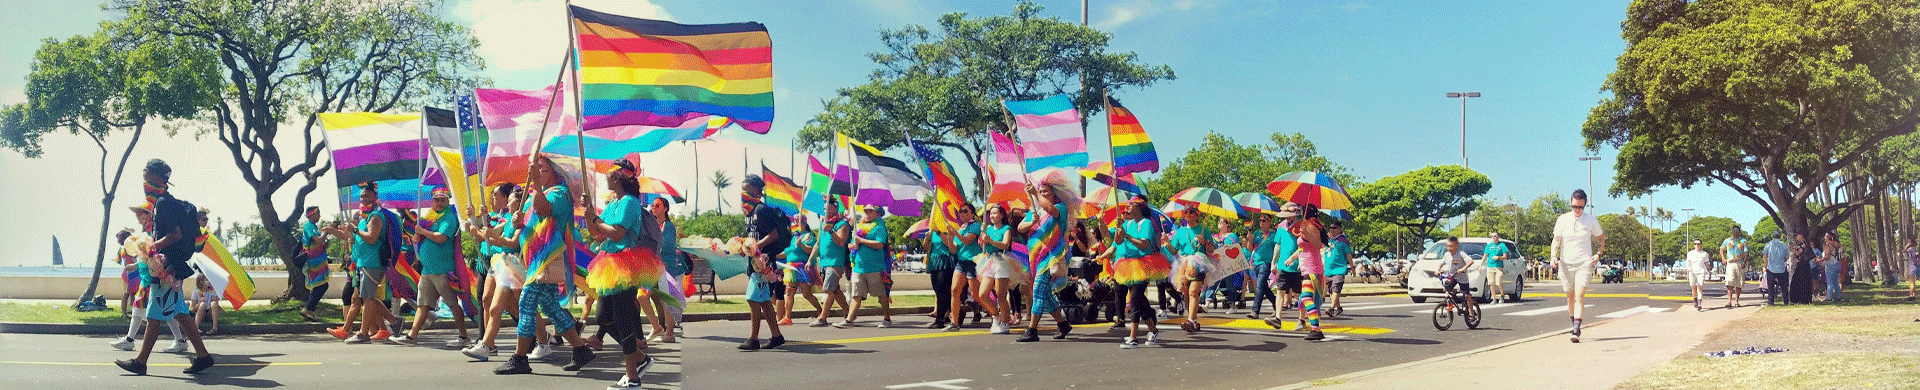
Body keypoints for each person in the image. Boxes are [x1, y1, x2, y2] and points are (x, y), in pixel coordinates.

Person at [491, 156, 595, 374]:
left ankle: (520, 358)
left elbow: (542, 210)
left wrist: (536, 183)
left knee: (526, 304)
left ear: (555, 173)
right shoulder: (537, 194)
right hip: (536, 259)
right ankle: (580, 349)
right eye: (537, 169)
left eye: (543, 170)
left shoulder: (559, 193)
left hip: (548, 258)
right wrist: (518, 220)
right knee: (550, 307)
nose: (537, 172)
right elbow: (527, 220)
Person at [115, 159, 216, 375]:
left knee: (154, 315)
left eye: (147, 177)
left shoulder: (162, 204)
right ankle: (203, 356)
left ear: (160, 178)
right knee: (180, 313)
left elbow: (175, 235)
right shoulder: (163, 202)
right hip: (171, 265)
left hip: (166, 266)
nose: (144, 182)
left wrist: (151, 247)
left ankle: (141, 362)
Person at [579, 159, 664, 389]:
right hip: (609, 265)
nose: (605, 176)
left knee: (625, 320)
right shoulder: (614, 203)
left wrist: (595, 219)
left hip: (626, 266)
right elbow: (597, 235)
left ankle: (632, 378)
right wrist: (589, 215)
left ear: (616, 177)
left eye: (608, 173)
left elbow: (616, 234)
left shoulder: (629, 202)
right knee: (603, 317)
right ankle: (640, 358)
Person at [464, 184, 548, 361]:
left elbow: (512, 243)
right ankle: (490, 344)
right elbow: (488, 234)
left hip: (512, 266)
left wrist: (492, 237)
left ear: (519, 204)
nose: (508, 204)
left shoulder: (522, 221)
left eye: (510, 201)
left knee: (507, 308)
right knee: (490, 300)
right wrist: (475, 220)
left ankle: (487, 345)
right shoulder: (507, 219)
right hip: (499, 263)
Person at [394, 188, 471, 347]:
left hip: (443, 270)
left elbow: (442, 238)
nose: (439, 203)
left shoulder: (449, 218)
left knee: (452, 304)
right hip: (427, 270)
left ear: (448, 201)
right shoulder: (429, 218)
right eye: (436, 200)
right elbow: (421, 239)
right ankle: (412, 336)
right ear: (432, 201)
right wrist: (417, 236)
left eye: (442, 200)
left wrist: (423, 231)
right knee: (422, 304)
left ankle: (463, 337)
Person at [109, 210, 188, 354]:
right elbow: (145, 256)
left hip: (152, 279)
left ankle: (131, 341)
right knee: (147, 309)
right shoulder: (147, 231)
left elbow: (152, 254)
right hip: (148, 278)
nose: (139, 217)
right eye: (138, 215)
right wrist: (134, 266)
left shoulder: (153, 231)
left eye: (141, 214)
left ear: (148, 215)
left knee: (156, 310)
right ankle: (179, 340)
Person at [1015, 177, 1079, 342]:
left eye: (1045, 192)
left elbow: (1051, 209)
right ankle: (1063, 324)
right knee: (1046, 294)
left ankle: (1032, 330)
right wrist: (1031, 223)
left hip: (1051, 258)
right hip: (1036, 258)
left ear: (1054, 194)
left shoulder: (1060, 207)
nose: (1042, 193)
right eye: (1040, 191)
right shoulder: (1035, 210)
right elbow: (1020, 227)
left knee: (1037, 291)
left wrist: (1035, 194)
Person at [340, 182, 400, 344]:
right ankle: (394, 322)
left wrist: (355, 230)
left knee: (367, 299)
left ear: (375, 197)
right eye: (361, 196)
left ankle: (363, 333)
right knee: (367, 298)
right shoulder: (365, 216)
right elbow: (360, 238)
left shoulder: (376, 216)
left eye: (367, 196)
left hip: (372, 263)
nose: (363, 198)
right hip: (362, 262)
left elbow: (372, 238)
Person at [738, 174, 790, 350]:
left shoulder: (762, 210)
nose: (742, 192)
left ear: (754, 190)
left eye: (745, 188)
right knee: (764, 301)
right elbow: (752, 237)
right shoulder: (749, 212)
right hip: (754, 263)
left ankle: (753, 339)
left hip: (764, 263)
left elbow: (773, 234)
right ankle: (776, 336)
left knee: (754, 299)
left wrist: (755, 246)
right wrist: (744, 247)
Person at [1111, 196, 1170, 349]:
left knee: (1136, 299)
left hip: (1144, 264)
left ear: (1140, 207)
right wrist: (1120, 230)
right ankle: (1153, 330)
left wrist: (1127, 236)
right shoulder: (1128, 223)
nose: (1128, 206)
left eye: (1132, 204)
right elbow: (1118, 243)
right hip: (1128, 264)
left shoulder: (1147, 223)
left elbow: (1144, 245)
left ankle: (1133, 338)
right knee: (1141, 301)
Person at [1549, 189, 1604, 343]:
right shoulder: (1562, 219)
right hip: (1566, 263)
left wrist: (1598, 254)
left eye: (1580, 207)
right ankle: (1574, 323)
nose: (1577, 210)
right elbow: (1556, 240)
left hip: (1584, 263)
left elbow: (1601, 239)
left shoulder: (1591, 220)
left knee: (1579, 296)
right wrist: (1553, 256)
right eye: (1574, 206)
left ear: (1585, 205)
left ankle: (1576, 330)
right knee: (1570, 297)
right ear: (1571, 204)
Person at [843, 205, 894, 328]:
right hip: (858, 267)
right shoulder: (859, 227)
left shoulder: (879, 227)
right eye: (866, 211)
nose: (867, 213)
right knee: (857, 295)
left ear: (877, 213)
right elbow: (852, 244)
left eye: (870, 211)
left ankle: (887, 319)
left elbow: (879, 244)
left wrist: (861, 241)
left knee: (881, 295)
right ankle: (849, 321)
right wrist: (853, 245)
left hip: (875, 268)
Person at [1286, 204, 1329, 341]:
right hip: (1307, 267)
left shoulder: (1311, 226)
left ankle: (1316, 329)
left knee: (1305, 298)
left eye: (1300, 211)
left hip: (1312, 268)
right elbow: (1302, 248)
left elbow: (1317, 244)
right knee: (1308, 299)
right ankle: (1316, 329)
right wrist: (1292, 258)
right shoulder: (1307, 225)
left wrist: (1306, 232)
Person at [1168, 205, 1214, 333]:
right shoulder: (1181, 231)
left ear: (1196, 215)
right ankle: (1193, 321)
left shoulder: (1204, 230)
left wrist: (1205, 241)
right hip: (1184, 264)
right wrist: (1166, 243)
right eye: (1185, 211)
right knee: (1186, 293)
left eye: (1191, 212)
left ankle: (1190, 320)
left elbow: (1211, 250)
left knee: (1193, 291)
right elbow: (1173, 250)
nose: (1187, 213)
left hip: (1199, 262)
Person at [809, 198, 853, 327]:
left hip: (835, 262)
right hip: (823, 262)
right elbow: (817, 244)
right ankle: (850, 312)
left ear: (835, 208)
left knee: (828, 290)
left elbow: (840, 242)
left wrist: (831, 231)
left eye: (827, 208)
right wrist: (810, 260)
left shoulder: (842, 225)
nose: (825, 211)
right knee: (835, 291)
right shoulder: (823, 224)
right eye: (824, 209)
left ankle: (822, 318)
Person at [976, 203, 1018, 334]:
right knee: (982, 294)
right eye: (991, 213)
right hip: (989, 261)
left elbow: (1005, 244)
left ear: (1001, 215)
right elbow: (982, 244)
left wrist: (991, 241)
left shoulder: (1006, 229)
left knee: (1001, 294)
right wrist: (982, 235)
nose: (992, 215)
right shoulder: (987, 228)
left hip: (1002, 261)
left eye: (995, 213)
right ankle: (995, 315)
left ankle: (1005, 322)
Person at [944, 203, 983, 331]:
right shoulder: (961, 228)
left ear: (972, 213)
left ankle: (996, 315)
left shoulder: (976, 226)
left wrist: (954, 232)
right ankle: (954, 323)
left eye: (965, 211)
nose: (962, 213)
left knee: (976, 295)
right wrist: (950, 237)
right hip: (961, 263)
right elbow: (953, 250)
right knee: (954, 290)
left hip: (973, 262)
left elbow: (967, 241)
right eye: (960, 211)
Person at [649, 197, 684, 342]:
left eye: (658, 205)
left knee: (665, 300)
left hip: (666, 267)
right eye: (653, 206)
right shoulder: (654, 226)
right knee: (654, 299)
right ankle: (660, 328)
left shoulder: (668, 226)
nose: (654, 208)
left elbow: (668, 246)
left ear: (665, 209)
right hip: (655, 268)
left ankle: (669, 333)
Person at [1267, 203, 1305, 330]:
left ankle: (1302, 318)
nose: (1287, 218)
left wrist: (1300, 261)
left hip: (1297, 266)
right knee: (1280, 291)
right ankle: (1278, 318)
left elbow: (1303, 246)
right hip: (1283, 265)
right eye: (1286, 216)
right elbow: (1277, 245)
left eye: (1290, 216)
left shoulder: (1301, 227)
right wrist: (1274, 262)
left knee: (1297, 294)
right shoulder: (1281, 228)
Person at [781, 218, 823, 326]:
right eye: (793, 222)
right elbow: (787, 253)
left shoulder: (808, 236)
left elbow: (812, 250)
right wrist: (770, 255)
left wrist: (801, 245)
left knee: (807, 294)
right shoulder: (793, 237)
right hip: (791, 267)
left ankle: (821, 311)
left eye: (796, 222)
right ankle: (787, 317)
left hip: (802, 267)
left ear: (803, 224)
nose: (793, 224)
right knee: (789, 292)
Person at [923, 214, 957, 330]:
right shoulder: (932, 232)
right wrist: (927, 239)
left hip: (945, 261)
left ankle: (940, 319)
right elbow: (926, 247)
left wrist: (939, 232)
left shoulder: (947, 230)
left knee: (943, 290)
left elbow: (949, 243)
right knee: (937, 290)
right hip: (934, 262)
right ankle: (946, 313)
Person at [298, 207, 331, 322]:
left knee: (320, 285)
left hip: (318, 261)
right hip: (314, 262)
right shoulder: (309, 226)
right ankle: (308, 309)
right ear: (312, 214)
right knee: (321, 285)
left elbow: (318, 243)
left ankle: (310, 310)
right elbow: (318, 240)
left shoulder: (312, 227)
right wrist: (327, 231)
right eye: (318, 213)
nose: (319, 216)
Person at [1246, 214, 1280, 320]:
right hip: (1256, 262)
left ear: (1269, 222)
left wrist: (1274, 263)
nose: (1261, 222)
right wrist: (1250, 240)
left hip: (1266, 263)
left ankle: (1255, 311)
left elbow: (1277, 248)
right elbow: (1249, 249)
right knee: (1264, 287)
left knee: (1260, 286)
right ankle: (1276, 303)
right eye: (1260, 220)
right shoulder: (1256, 233)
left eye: (1264, 220)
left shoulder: (1274, 234)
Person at [1324, 221, 1352, 317]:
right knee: (1331, 290)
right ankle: (1338, 307)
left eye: (1334, 228)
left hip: (1339, 269)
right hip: (1328, 269)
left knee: (1336, 288)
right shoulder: (1328, 241)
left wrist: (1352, 267)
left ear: (1339, 229)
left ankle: (1331, 308)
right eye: (1330, 228)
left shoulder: (1343, 241)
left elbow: (1348, 255)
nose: (1331, 230)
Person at [1722, 227, 1747, 308]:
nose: (1735, 232)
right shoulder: (1727, 240)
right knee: (1730, 282)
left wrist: (1744, 261)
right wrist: (1723, 258)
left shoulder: (1743, 241)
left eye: (1737, 231)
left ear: (1739, 232)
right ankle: (1729, 301)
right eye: (1734, 231)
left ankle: (1737, 301)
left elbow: (1746, 252)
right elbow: (1721, 249)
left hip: (1739, 263)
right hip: (1730, 263)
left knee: (1739, 282)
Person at [1484, 231, 1511, 304]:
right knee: (1491, 283)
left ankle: (1502, 295)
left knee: (1498, 282)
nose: (1494, 237)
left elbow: (1505, 256)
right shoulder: (1489, 246)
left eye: (1495, 236)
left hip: (1499, 267)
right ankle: (1494, 298)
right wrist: (1481, 264)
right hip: (1490, 267)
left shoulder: (1502, 245)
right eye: (1492, 236)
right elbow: (1485, 255)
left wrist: (1498, 257)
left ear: (1498, 237)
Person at [1764, 232, 1789, 306]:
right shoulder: (1784, 245)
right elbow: (1787, 257)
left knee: (1770, 286)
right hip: (1781, 268)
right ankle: (1786, 301)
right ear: (1780, 236)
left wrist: (1765, 266)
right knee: (1784, 286)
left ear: (1773, 236)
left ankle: (1771, 302)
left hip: (1771, 268)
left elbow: (1765, 256)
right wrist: (1782, 260)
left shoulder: (1768, 244)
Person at [1686, 239, 1710, 311]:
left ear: (1701, 244)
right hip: (1692, 272)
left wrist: (1709, 270)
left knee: (1699, 288)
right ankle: (1695, 301)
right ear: (1694, 245)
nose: (1697, 245)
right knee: (1693, 288)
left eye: (1698, 244)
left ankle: (1699, 303)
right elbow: (1688, 262)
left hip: (1701, 272)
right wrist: (1688, 269)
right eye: (1695, 244)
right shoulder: (1690, 253)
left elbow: (1706, 263)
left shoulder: (1704, 254)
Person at [1822, 233, 1844, 302]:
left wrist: (1819, 260)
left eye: (1825, 236)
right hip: (1838, 263)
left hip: (1830, 264)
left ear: (1828, 237)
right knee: (1836, 282)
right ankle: (1838, 297)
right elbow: (1843, 249)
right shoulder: (1837, 244)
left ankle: (1830, 297)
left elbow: (1827, 256)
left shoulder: (1828, 245)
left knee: (1829, 282)